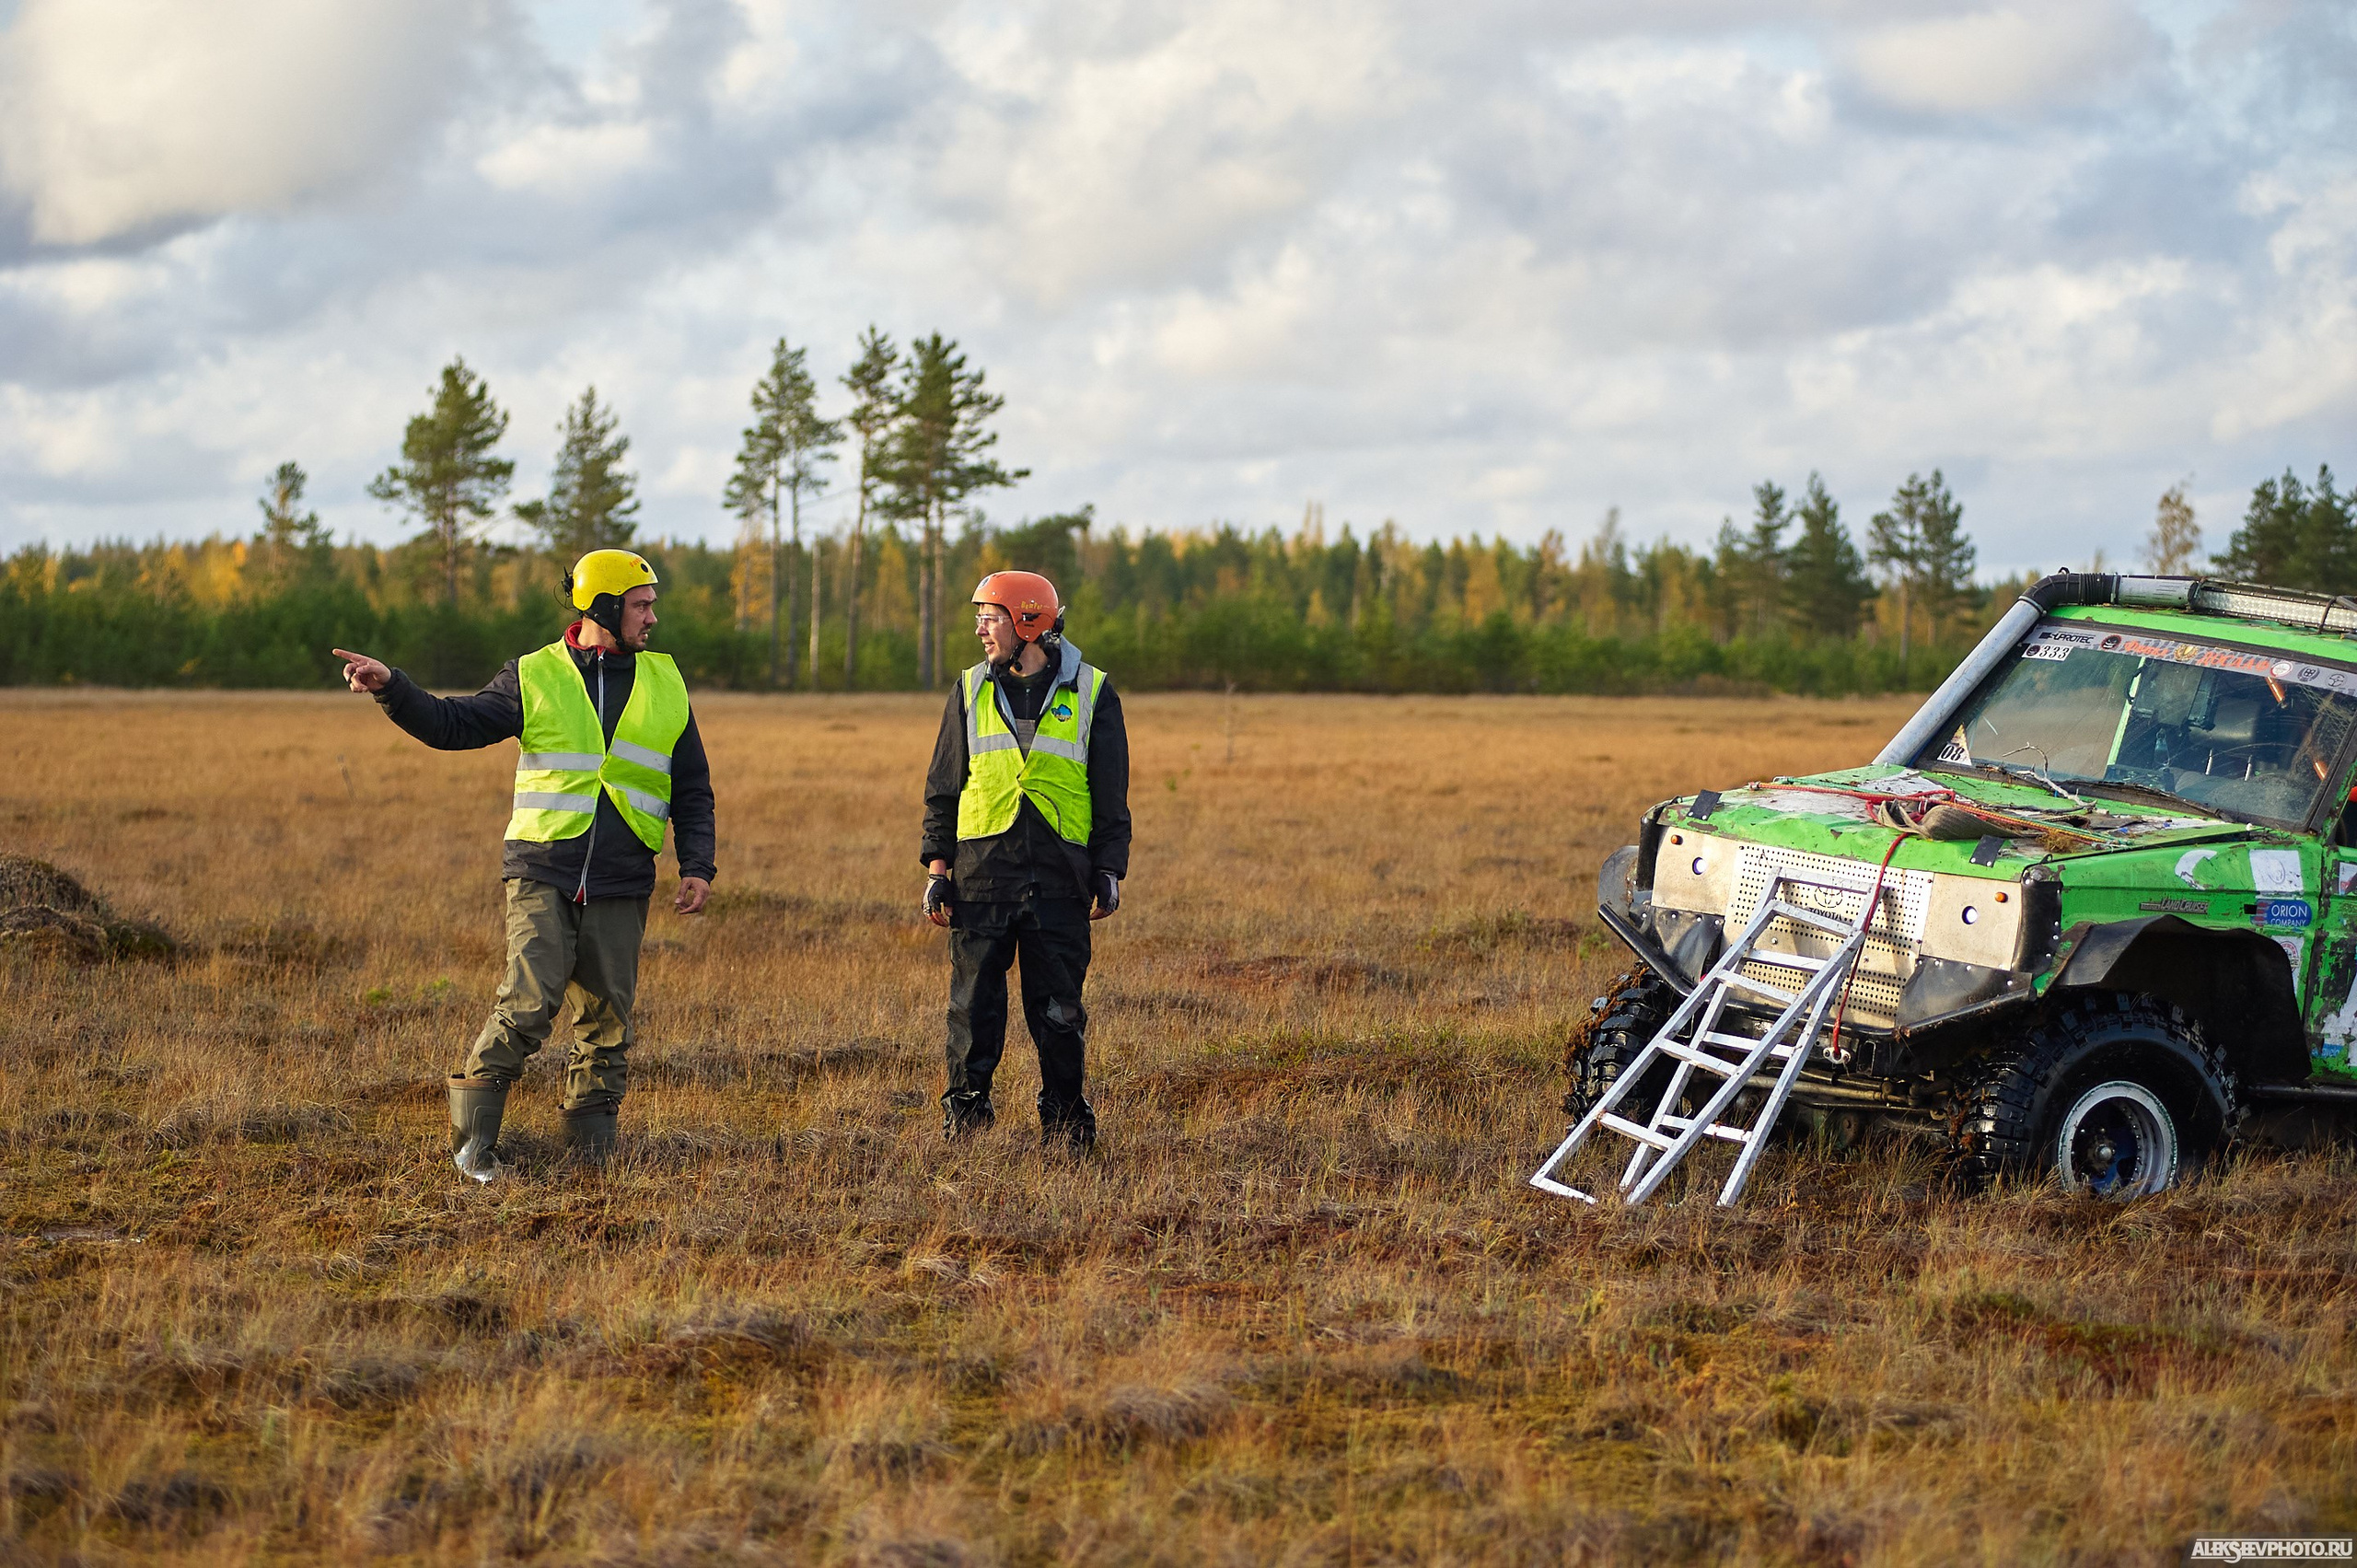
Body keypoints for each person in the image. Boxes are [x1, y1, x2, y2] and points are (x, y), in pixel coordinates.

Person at [332, 549, 716, 1180]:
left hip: (622, 878)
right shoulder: (534, 674)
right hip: (543, 867)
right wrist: (394, 690)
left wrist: (698, 862)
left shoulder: (666, 681)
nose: (652, 617)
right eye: (643, 605)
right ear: (605, 607)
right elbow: (456, 723)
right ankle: (472, 1150)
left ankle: (589, 1160)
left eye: (652, 604)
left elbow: (692, 783)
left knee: (607, 1020)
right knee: (530, 1000)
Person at [921, 571, 1132, 1152]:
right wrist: (937, 874)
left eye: (991, 616)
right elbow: (944, 788)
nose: (980, 628)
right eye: (981, 616)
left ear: (1029, 622)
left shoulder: (1094, 692)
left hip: (1062, 880)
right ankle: (965, 1122)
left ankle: (1065, 1125)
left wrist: (1109, 871)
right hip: (982, 875)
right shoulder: (967, 691)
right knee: (973, 1011)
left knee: (1060, 1014)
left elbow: (1110, 795)